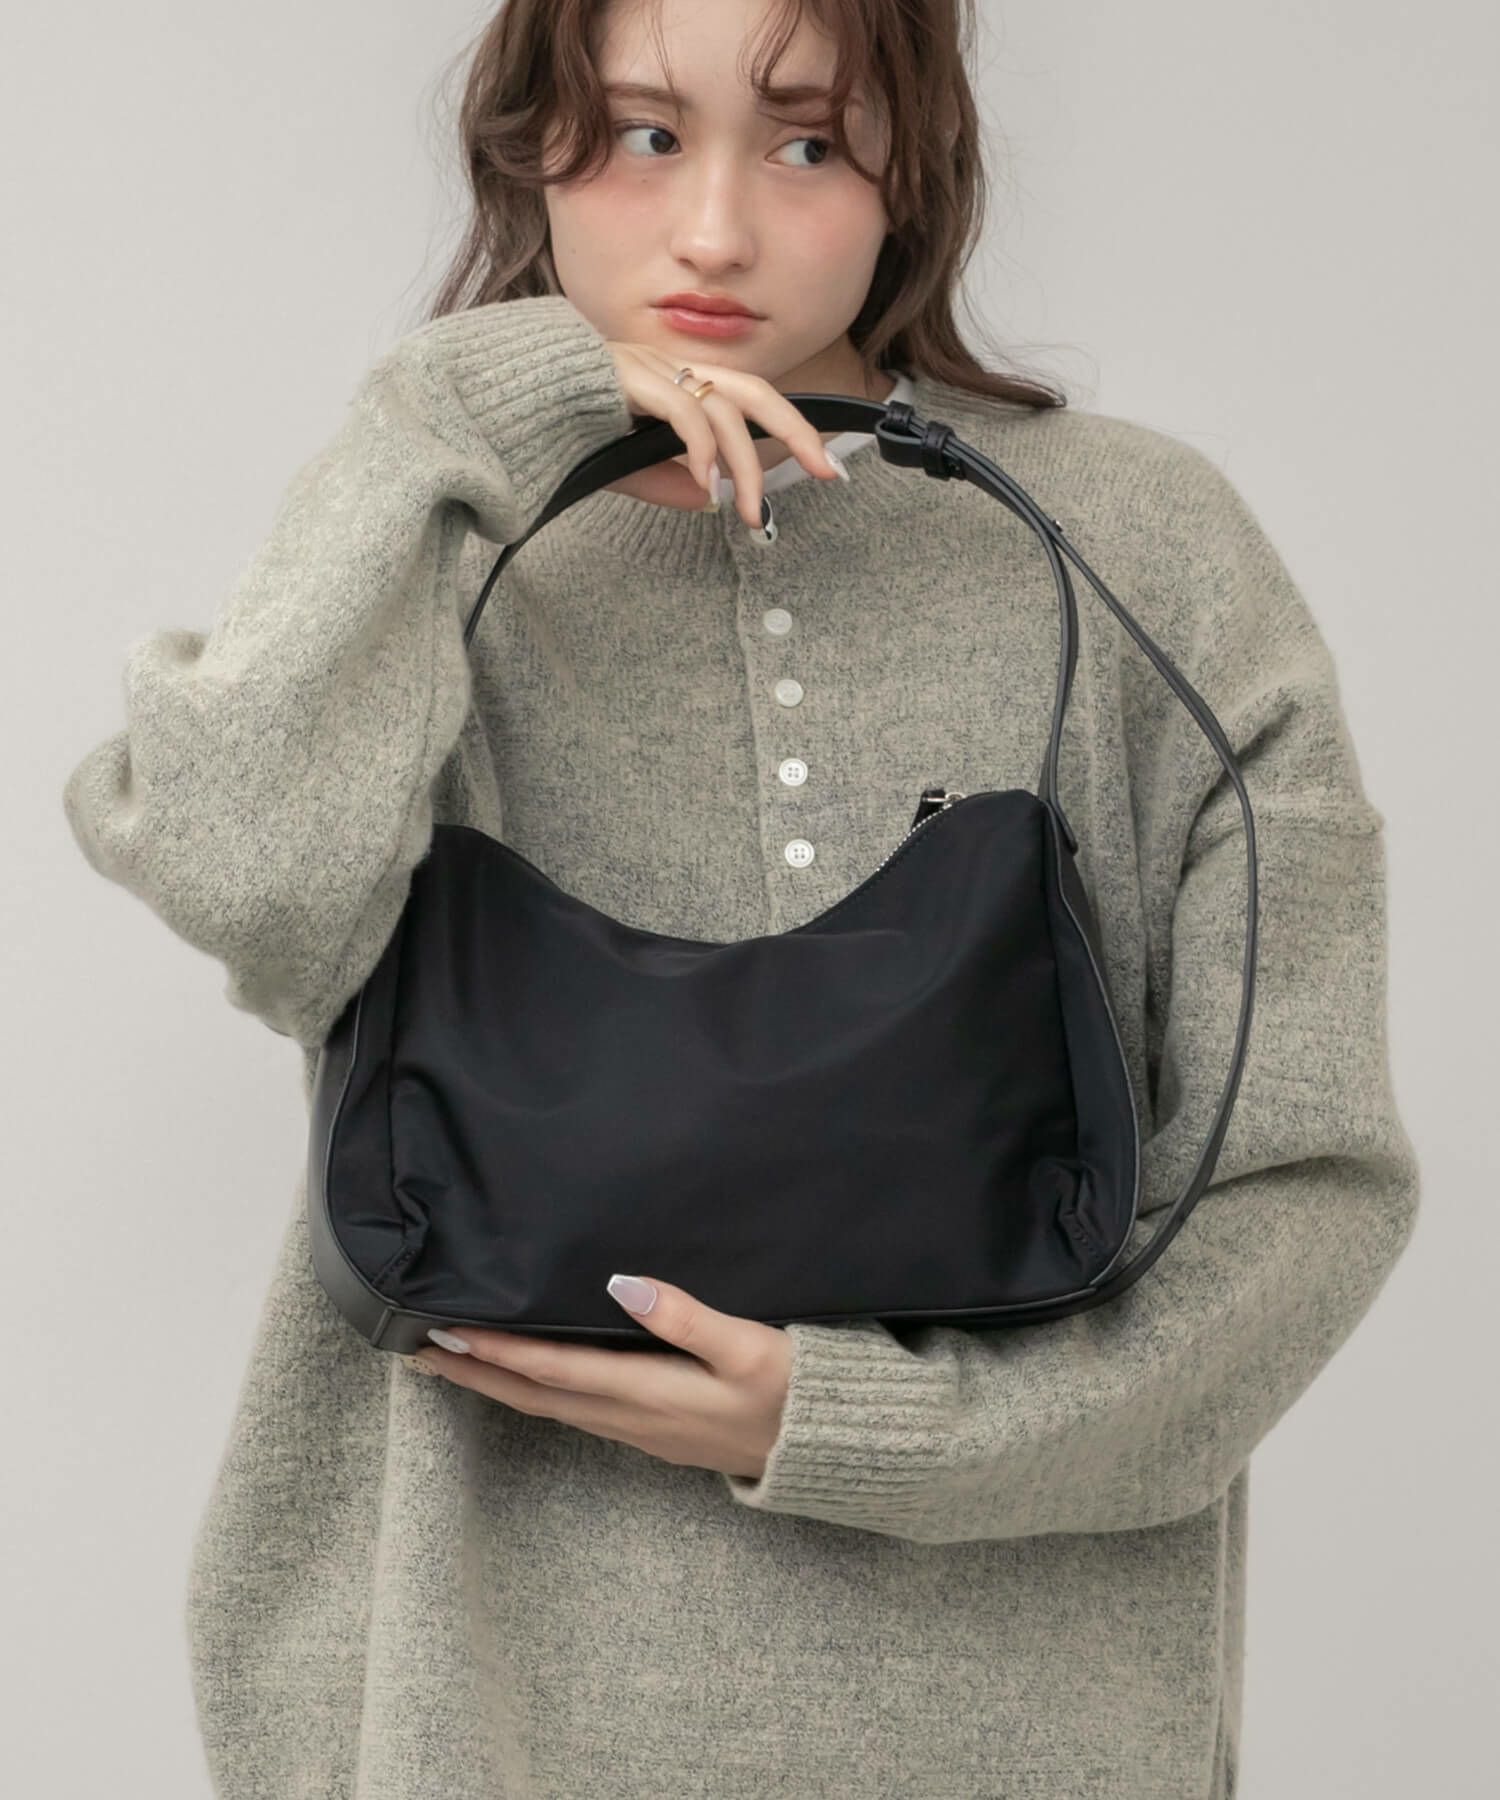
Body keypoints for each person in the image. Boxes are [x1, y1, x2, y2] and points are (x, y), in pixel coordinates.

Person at [59, 1, 1421, 1795]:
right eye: (640, 135)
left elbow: (1305, 1186)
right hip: (470, 1729)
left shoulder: (1144, 549)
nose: (713, 230)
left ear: (913, 169)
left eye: (806, 143)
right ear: (526, 146)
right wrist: (448, 413)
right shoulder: (428, 546)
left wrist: (878, 1425)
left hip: (1031, 1736)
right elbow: (236, 869)